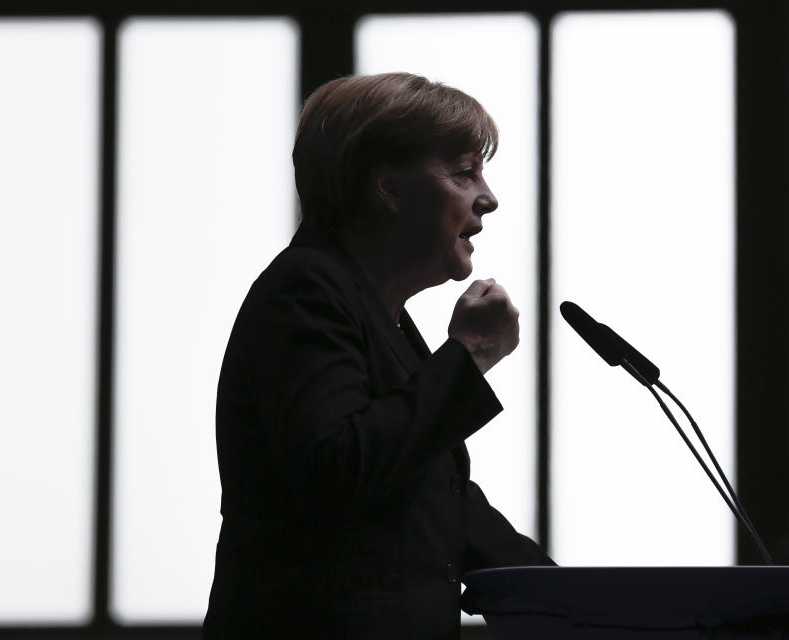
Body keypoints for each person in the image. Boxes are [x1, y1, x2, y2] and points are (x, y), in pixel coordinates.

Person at [202, 72, 554, 640]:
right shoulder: (306, 291)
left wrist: (592, 603)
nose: (488, 198)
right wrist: (466, 355)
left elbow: (440, 505)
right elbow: (336, 469)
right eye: (464, 172)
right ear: (386, 187)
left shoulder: (382, 314)